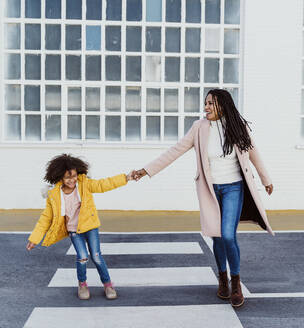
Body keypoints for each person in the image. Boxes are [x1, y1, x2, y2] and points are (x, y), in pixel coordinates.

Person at [133, 89, 274, 308]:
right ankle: (222, 278)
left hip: (233, 187)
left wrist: (266, 179)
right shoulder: (199, 128)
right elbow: (175, 150)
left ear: (223, 106)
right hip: (210, 189)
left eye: (211, 103)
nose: (206, 107)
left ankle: (235, 282)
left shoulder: (237, 127)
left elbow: (253, 152)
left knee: (228, 235)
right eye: (205, 103)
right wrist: (146, 170)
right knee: (216, 237)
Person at [26, 154, 136, 300]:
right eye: (67, 177)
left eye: (74, 176)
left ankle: (108, 284)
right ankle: (82, 284)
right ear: (60, 178)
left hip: (90, 226)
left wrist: (126, 177)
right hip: (74, 230)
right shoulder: (54, 195)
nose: (72, 180)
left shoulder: (84, 184)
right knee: (82, 257)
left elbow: (104, 184)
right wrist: (35, 238)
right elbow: (45, 218)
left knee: (96, 256)